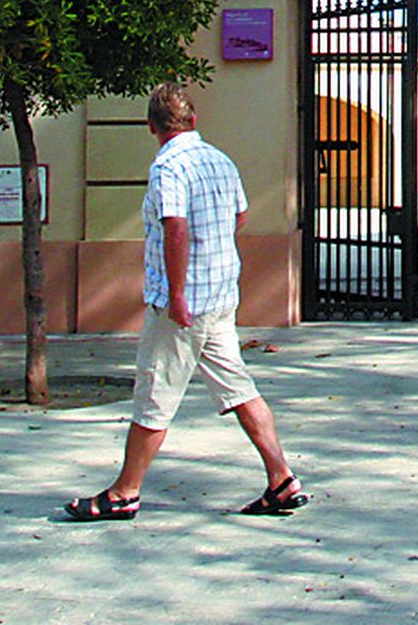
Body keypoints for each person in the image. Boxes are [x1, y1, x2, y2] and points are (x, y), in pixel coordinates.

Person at [65, 84, 308, 521]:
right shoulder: (220, 160)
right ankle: (281, 478)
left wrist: (177, 294)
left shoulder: (167, 167)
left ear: (152, 127)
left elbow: (174, 228)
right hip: (219, 296)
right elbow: (240, 215)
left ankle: (125, 491)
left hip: (184, 305)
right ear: (193, 121)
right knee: (238, 387)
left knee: (154, 392)